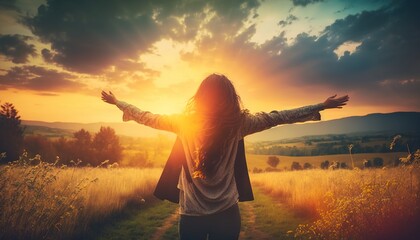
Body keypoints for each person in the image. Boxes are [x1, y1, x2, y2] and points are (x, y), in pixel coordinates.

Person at [101, 73, 349, 240]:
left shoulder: (184, 122)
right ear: (230, 97)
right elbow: (279, 116)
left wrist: (118, 102)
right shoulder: (240, 124)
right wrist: (320, 106)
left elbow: (146, 116)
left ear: (200, 97)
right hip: (227, 213)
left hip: (191, 215)